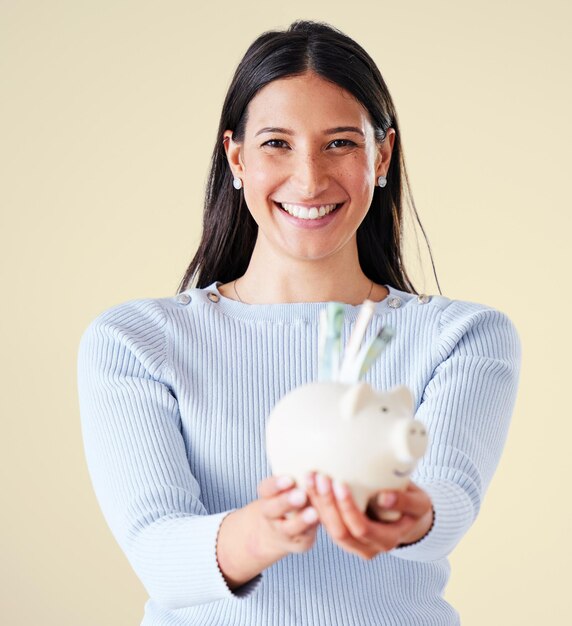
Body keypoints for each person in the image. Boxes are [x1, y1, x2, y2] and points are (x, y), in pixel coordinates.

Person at [77, 20, 521, 626]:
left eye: (340, 143)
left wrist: (404, 514)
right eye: (276, 144)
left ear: (382, 154)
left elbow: (448, 501)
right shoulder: (136, 342)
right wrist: (260, 533)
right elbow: (156, 549)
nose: (310, 180)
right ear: (236, 156)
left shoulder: (461, 338)